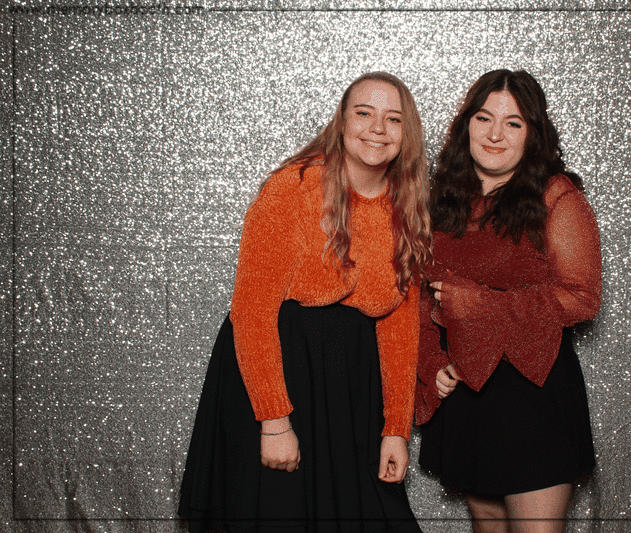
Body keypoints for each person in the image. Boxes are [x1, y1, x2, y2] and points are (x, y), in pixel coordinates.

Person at [179, 72, 430, 532]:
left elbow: (400, 327)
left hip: (351, 391)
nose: (378, 128)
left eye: (393, 118)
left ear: (406, 132)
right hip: (278, 379)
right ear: (341, 121)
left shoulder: (407, 206)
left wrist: (396, 428)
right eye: (364, 113)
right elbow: (252, 311)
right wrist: (274, 421)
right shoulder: (293, 187)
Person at [415, 69, 602, 533]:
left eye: (513, 123)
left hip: (532, 390)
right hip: (469, 391)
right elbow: (420, 293)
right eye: (484, 118)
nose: (495, 134)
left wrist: (482, 305)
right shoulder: (443, 199)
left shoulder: (556, 195)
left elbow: (582, 298)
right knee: (487, 524)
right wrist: (431, 361)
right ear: (466, 125)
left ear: (532, 134)